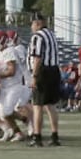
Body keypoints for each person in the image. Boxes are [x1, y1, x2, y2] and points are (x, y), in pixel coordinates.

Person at [28, 12, 61, 147]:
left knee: (37, 106)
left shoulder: (38, 36)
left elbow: (37, 58)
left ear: (38, 23)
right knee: (50, 105)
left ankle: (37, 136)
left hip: (43, 72)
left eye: (32, 23)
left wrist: (34, 77)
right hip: (54, 71)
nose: (31, 27)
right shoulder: (51, 34)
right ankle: (54, 136)